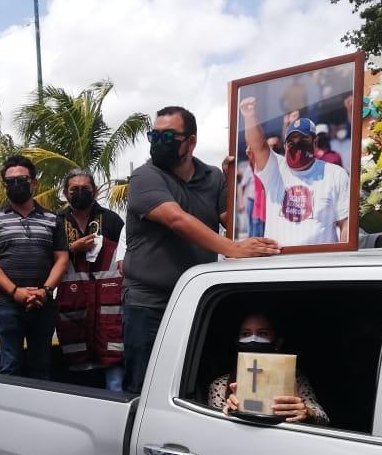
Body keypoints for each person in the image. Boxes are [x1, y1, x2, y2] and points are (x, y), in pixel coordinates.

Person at [122, 105, 280, 394]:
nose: (159, 143)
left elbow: (233, 222)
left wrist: (236, 180)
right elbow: (176, 219)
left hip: (196, 301)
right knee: (143, 387)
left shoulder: (212, 177)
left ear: (191, 142)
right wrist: (233, 249)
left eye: (168, 137)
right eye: (154, 136)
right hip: (149, 305)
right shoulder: (145, 177)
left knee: (194, 382)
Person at [0, 155, 69, 379]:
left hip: (43, 304)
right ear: (4, 186)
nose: (16, 185)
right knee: (11, 365)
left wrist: (45, 291)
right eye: (11, 181)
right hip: (8, 306)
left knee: (42, 366)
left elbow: (62, 259)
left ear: (34, 183)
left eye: (22, 179)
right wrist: (15, 292)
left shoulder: (53, 219)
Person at [242, 99, 350, 248]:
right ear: (285, 144)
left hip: (320, 265)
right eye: (292, 140)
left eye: (302, 139)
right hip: (277, 264)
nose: (296, 143)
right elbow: (258, 145)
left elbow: (346, 223)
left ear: (314, 142)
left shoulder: (335, 174)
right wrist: (249, 116)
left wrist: (343, 259)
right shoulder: (275, 169)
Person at [54, 169, 126, 390]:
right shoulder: (56, 222)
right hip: (73, 307)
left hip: (108, 307)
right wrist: (71, 249)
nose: (80, 193)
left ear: (94, 191)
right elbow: (47, 258)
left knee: (114, 377)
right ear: (66, 193)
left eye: (85, 188)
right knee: (78, 381)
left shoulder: (112, 220)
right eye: (74, 189)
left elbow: (125, 255)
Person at [207, 311, 328, 424]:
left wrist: (307, 413)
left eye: (262, 333)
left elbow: (323, 418)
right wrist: (230, 414)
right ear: (237, 341)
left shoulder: (295, 380)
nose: (253, 339)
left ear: (278, 342)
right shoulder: (220, 386)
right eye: (246, 334)